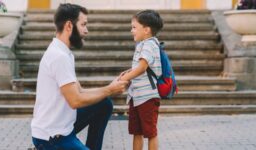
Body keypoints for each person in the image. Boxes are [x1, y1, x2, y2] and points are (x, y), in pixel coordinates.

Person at [31, 3, 129, 150]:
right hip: (51, 137)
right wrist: (110, 90)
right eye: (83, 25)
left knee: (104, 104)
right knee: (105, 98)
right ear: (69, 26)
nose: (86, 30)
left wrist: (110, 87)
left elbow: (80, 91)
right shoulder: (59, 57)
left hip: (63, 127)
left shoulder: (64, 53)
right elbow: (75, 100)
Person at [119, 10, 163, 150]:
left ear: (146, 30)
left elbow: (142, 67)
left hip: (147, 97)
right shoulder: (142, 45)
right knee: (136, 132)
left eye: (134, 27)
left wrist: (125, 78)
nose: (131, 30)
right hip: (136, 96)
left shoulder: (150, 44)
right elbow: (138, 67)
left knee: (150, 133)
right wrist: (127, 72)